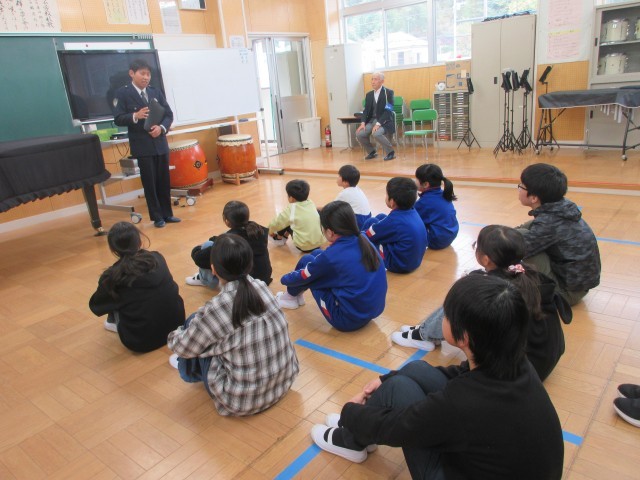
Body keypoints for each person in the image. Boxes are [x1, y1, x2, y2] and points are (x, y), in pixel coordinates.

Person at [311, 274, 565, 479]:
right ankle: (356, 433)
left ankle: (350, 439)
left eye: (447, 315)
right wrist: (385, 378)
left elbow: (398, 428)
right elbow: (459, 373)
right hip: (504, 464)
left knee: (398, 389)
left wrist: (350, 411)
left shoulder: (464, 402)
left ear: (464, 337)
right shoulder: (515, 361)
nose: (443, 317)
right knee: (413, 371)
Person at [391, 225, 571, 382]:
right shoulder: (528, 273)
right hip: (545, 356)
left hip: (519, 370)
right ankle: (425, 331)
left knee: (460, 301)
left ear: (485, 259)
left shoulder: (496, 289)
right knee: (465, 294)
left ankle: (424, 335)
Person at [167, 234, 299, 416]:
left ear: (213, 269)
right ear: (249, 264)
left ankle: (188, 371)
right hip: (285, 381)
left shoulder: (217, 308)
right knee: (206, 328)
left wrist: (177, 333)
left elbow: (181, 348)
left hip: (242, 401)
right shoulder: (261, 287)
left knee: (193, 323)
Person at [276, 201, 387, 332]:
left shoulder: (332, 256)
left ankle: (290, 296)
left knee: (308, 264)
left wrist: (284, 279)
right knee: (316, 255)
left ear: (330, 232)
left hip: (346, 320)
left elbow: (305, 275)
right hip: (372, 310)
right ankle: (294, 295)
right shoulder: (364, 240)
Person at [89, 222, 185, 353]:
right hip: (176, 326)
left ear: (113, 249)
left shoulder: (113, 276)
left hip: (140, 341)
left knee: (112, 297)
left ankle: (113, 323)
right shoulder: (157, 258)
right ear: (139, 241)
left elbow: (96, 306)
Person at [516, 163, 601, 305]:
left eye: (521, 186)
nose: (519, 189)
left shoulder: (549, 223)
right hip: (579, 285)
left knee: (517, 244)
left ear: (534, 198)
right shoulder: (560, 207)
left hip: (566, 293)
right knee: (521, 232)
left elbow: (515, 248)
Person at [112, 59, 180, 228]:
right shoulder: (123, 93)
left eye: (148, 74)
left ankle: (168, 214)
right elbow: (118, 118)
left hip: (160, 143)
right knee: (150, 183)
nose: (146, 77)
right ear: (131, 73)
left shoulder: (155, 91)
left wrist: (161, 128)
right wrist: (135, 116)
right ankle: (157, 217)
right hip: (142, 146)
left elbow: (168, 114)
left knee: (164, 181)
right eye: (142, 73)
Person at [186, 200, 272, 288]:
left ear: (226, 221)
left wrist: (197, 248)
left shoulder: (230, 242)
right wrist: (215, 239)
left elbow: (199, 258)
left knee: (207, 245)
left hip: (246, 284)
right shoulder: (257, 230)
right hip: (263, 279)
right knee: (213, 244)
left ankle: (204, 279)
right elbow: (230, 235)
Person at [362, 177, 427, 273]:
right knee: (380, 217)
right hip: (414, 261)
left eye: (386, 194)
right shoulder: (412, 211)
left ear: (392, 202)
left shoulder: (394, 221)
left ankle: (356, 252)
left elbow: (368, 235)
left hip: (398, 265)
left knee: (368, 228)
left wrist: (356, 236)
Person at [268, 179, 325, 252]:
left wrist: (268, 231)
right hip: (319, 243)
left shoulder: (292, 209)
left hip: (303, 247)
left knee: (285, 221)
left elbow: (276, 223)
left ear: (291, 198)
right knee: (294, 220)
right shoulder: (310, 202)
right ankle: (283, 237)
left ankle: (278, 239)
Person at [414, 164, 459, 250]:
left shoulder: (424, 202)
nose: (414, 181)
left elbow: (410, 217)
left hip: (437, 241)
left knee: (408, 226)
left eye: (416, 178)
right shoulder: (443, 193)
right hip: (452, 233)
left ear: (425, 184)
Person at [356, 72, 396, 161]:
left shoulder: (388, 93)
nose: (373, 81)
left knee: (376, 133)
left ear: (382, 81)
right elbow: (366, 110)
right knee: (359, 134)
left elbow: (388, 110)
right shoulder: (369, 95)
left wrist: (378, 124)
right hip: (371, 121)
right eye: (372, 79)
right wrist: (363, 123)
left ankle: (390, 152)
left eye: (376, 79)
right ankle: (372, 152)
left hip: (384, 121)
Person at [330, 165, 372, 230]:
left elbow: (330, 208)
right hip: (367, 218)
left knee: (331, 214)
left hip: (359, 221)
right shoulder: (357, 189)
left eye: (339, 176)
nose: (337, 177)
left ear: (346, 182)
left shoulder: (345, 193)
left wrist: (316, 208)